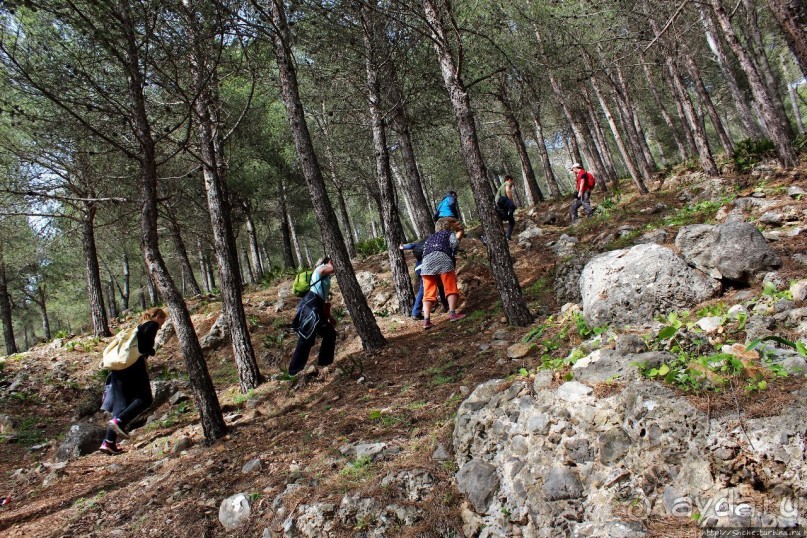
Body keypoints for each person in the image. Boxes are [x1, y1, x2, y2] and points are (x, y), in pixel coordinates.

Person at [99, 307, 166, 455]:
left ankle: (108, 442)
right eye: (163, 321)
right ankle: (119, 422)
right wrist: (151, 351)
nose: (161, 325)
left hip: (118, 369)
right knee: (145, 399)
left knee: (120, 406)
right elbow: (144, 347)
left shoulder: (135, 328)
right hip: (134, 366)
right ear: (157, 317)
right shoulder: (151, 325)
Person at [288, 256, 337, 376]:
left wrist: (330, 317)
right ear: (327, 262)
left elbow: (323, 301)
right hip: (309, 307)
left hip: (317, 307)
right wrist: (331, 262)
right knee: (306, 339)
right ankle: (294, 372)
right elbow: (331, 268)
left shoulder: (325, 279)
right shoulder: (320, 270)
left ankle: (325, 364)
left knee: (330, 333)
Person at [420, 218, 466, 329]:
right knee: (450, 287)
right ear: (448, 226)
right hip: (443, 259)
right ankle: (453, 314)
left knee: (428, 292)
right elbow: (454, 244)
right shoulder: (448, 233)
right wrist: (459, 231)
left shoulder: (429, 238)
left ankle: (426, 320)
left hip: (426, 263)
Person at [400, 240, 449, 320]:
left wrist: (402, 247)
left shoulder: (419, 244)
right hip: (427, 268)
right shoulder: (432, 244)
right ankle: (416, 312)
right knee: (434, 287)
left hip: (418, 268)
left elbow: (409, 246)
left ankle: (446, 305)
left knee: (425, 289)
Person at [494, 176, 517, 240]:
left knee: (510, 220)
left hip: (498, 204)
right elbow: (507, 191)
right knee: (512, 209)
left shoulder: (501, 186)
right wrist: (511, 202)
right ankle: (507, 236)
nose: (512, 183)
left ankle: (506, 236)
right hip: (502, 201)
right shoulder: (507, 183)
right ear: (510, 180)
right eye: (512, 181)